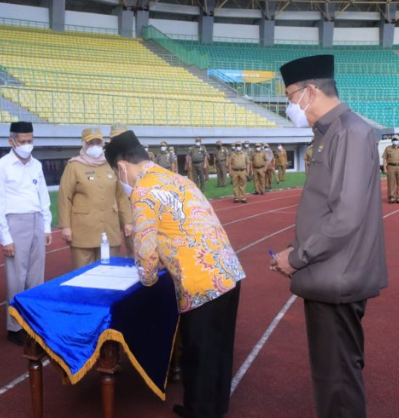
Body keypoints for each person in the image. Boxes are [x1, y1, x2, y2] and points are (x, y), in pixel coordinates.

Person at [271, 54, 388, 418]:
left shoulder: (350, 132)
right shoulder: (331, 132)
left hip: (337, 275)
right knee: (331, 375)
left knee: (337, 380)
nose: (290, 106)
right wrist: (297, 248)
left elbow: (346, 215)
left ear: (310, 91)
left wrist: (296, 257)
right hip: (328, 271)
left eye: (291, 98)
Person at [104, 130, 245, 418]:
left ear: (121, 167)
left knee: (200, 353)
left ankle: (201, 411)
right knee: (220, 350)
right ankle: (211, 407)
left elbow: (145, 251)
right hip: (228, 271)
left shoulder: (143, 191)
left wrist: (147, 279)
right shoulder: (178, 178)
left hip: (200, 282)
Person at [0, 122, 52, 346]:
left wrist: (46, 226)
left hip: (36, 220)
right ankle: (14, 326)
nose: (27, 145)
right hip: (15, 222)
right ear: (11, 141)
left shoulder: (36, 165)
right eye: (23, 141)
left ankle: (33, 322)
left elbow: (43, 195)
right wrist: (5, 237)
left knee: (37, 277)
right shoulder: (0, 166)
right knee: (16, 277)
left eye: (30, 140)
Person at [58, 128, 132, 268]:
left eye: (98, 142)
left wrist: (127, 221)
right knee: (83, 273)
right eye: (91, 142)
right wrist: (66, 226)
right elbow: (65, 197)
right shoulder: (74, 166)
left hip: (109, 228)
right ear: (84, 144)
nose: (95, 145)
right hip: (83, 230)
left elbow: (121, 196)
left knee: (111, 271)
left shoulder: (111, 164)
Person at [110, 123, 136, 258]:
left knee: (136, 241)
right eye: (115, 138)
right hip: (116, 206)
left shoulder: (136, 156)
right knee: (116, 243)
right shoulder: (107, 159)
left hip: (135, 204)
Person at [382, 135, 399, 203]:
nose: (395, 141)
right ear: (392, 140)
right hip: (391, 167)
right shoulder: (388, 148)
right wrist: (384, 168)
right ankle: (391, 197)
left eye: (396, 139)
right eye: (394, 139)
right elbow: (384, 158)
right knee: (391, 183)